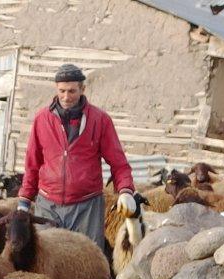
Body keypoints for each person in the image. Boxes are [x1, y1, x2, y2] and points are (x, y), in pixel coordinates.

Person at [13, 63, 138, 250]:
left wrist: (126, 190)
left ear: (82, 89)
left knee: (88, 263)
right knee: (47, 261)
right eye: (62, 91)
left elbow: (119, 163)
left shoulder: (100, 120)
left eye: (72, 91)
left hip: (87, 206)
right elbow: (32, 164)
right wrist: (24, 201)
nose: (66, 97)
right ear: (56, 89)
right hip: (48, 204)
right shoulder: (42, 119)